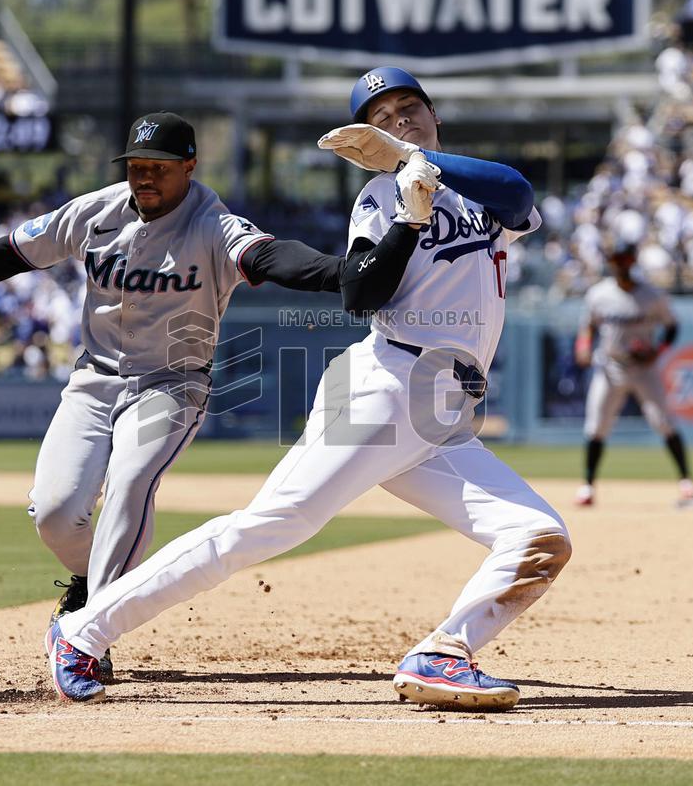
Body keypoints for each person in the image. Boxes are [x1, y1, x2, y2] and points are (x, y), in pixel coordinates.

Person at [46, 68, 571, 709]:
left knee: (537, 536)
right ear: (363, 141)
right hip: (384, 385)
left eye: (410, 107)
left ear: (434, 118)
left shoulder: (475, 190)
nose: (399, 117)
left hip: (440, 414)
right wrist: (409, 211)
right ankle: (81, 631)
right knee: (271, 525)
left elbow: (517, 192)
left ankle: (441, 654)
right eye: (381, 116)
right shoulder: (381, 197)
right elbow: (361, 293)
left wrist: (416, 158)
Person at [0, 112, 344, 681]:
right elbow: (12, 250)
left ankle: (86, 637)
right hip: (94, 380)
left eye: (159, 169)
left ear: (190, 167)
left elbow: (270, 258)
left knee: (129, 482)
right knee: (52, 511)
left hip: (172, 384)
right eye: (136, 167)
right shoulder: (94, 211)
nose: (144, 178)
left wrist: (344, 273)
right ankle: (88, 588)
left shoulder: (213, 223)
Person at [574, 241, 693, 506]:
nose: (619, 263)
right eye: (615, 259)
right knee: (597, 425)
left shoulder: (652, 295)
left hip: (644, 368)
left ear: (632, 261)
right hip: (610, 365)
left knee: (664, 421)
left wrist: (659, 350)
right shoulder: (599, 294)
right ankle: (587, 486)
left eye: (624, 258)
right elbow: (588, 327)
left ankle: (686, 480)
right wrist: (583, 347)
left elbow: (672, 327)